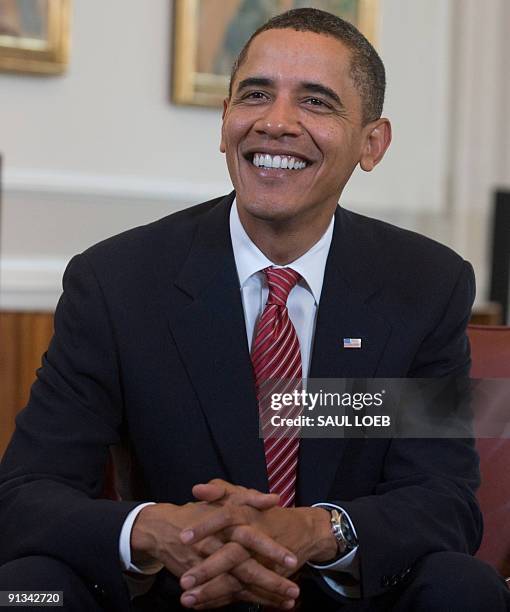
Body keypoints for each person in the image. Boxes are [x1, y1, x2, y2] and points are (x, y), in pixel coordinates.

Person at [0, 8, 509, 612]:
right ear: (224, 123)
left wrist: (315, 531)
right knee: (24, 593)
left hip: (342, 597)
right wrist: (157, 530)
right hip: (175, 594)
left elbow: (442, 498)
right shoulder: (117, 282)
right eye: (256, 94)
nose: (276, 122)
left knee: (465, 589)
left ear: (372, 143)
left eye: (316, 102)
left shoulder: (423, 285)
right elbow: (26, 493)